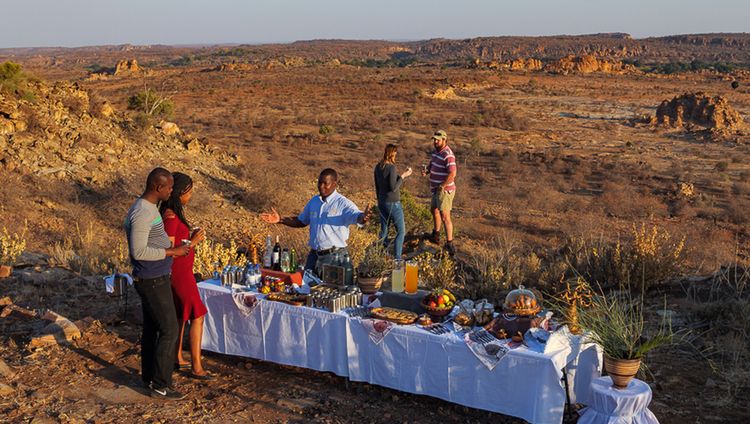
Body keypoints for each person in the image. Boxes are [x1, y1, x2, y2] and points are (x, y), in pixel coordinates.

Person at [125, 167, 190, 399]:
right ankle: (161, 384)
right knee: (169, 329)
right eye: (169, 187)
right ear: (157, 187)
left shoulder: (148, 208)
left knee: (153, 329)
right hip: (151, 278)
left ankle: (149, 377)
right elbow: (139, 250)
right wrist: (172, 252)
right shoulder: (142, 212)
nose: (172, 191)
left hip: (154, 276)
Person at [260, 168, 371, 272]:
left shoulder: (342, 203)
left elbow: (357, 216)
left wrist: (363, 217)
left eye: (325, 183)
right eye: (319, 183)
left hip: (334, 257)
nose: (321, 186)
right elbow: (301, 221)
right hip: (314, 255)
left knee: (330, 290)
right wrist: (280, 219)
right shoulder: (314, 201)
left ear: (334, 184)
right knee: (306, 288)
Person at [159, 172, 212, 381]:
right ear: (180, 192)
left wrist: (189, 239)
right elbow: (170, 249)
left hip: (181, 271)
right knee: (197, 315)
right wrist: (194, 242)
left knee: (181, 314)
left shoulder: (172, 215)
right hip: (180, 274)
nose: (190, 196)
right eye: (188, 192)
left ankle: (178, 356)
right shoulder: (171, 218)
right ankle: (197, 366)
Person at [421, 130, 457, 255]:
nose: (435, 141)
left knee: (445, 216)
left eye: (438, 139)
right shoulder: (436, 152)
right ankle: (435, 235)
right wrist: (427, 171)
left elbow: (452, 173)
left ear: (444, 140)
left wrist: (443, 185)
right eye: (434, 139)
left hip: (444, 190)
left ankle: (450, 243)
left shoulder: (448, 154)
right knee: (434, 210)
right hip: (436, 189)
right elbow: (432, 164)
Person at [374, 144, 412, 258]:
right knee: (400, 231)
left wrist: (380, 201)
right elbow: (394, 187)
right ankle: (398, 259)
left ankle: (380, 256)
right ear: (392, 153)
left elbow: (377, 187)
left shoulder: (378, 167)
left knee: (384, 231)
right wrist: (404, 175)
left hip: (382, 201)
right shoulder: (391, 168)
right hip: (393, 203)